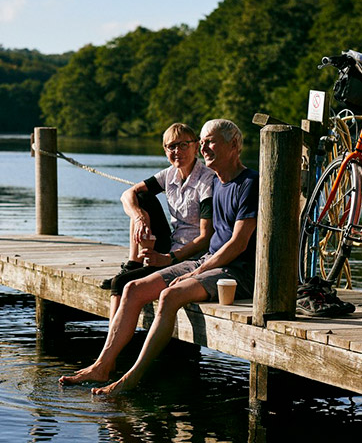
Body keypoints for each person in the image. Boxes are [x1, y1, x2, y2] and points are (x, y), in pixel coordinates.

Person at [59, 119, 258, 394]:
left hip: (237, 272)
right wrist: (191, 266)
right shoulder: (219, 182)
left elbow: (237, 244)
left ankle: (131, 377)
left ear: (234, 145)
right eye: (202, 142)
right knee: (132, 287)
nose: (203, 148)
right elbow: (134, 195)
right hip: (208, 262)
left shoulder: (249, 183)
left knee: (169, 295)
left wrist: (193, 271)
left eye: (209, 141)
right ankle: (103, 364)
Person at [101, 123, 215, 319]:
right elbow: (128, 194)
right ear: (165, 150)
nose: (177, 151)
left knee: (119, 284)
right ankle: (133, 264)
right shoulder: (168, 174)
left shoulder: (207, 181)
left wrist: (170, 259)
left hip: (190, 255)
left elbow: (206, 238)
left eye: (183, 145)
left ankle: (114, 340)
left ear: (196, 147)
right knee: (141, 198)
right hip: (171, 243)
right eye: (171, 146)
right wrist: (138, 217)